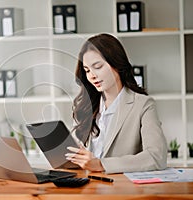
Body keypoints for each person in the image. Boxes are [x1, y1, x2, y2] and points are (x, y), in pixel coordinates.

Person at [65, 33, 167, 174]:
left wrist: (101, 164)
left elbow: (156, 157)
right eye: (87, 70)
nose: (92, 75)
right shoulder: (89, 106)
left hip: (121, 188)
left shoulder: (143, 105)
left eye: (98, 66)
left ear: (117, 64)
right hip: (89, 186)